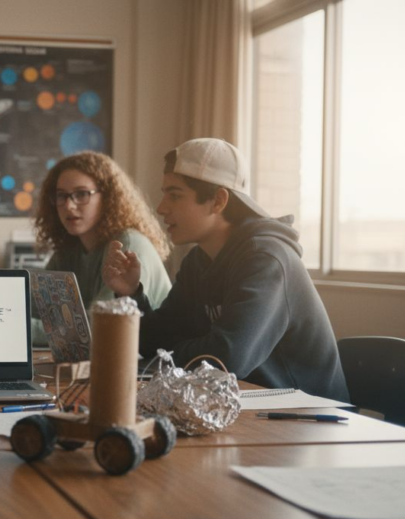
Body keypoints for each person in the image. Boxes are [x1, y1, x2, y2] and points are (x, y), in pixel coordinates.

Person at [103, 138, 348, 400]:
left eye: (174, 195)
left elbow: (226, 360)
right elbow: (155, 341)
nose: (161, 208)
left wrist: (171, 352)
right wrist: (130, 294)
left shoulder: (266, 259)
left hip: (308, 419)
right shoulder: (199, 261)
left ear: (218, 200)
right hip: (246, 407)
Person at [32, 151, 171, 344]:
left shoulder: (127, 245)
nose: (69, 206)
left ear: (108, 197)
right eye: (61, 196)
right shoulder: (67, 251)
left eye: (81, 194)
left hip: (147, 368)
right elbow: (43, 310)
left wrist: (19, 328)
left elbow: (101, 326)